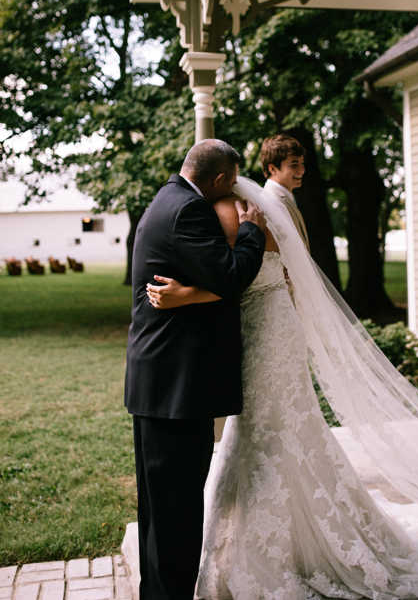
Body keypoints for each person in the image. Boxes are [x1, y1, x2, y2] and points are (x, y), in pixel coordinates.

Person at [146, 135, 418, 599]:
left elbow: (233, 277)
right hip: (259, 326)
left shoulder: (237, 213)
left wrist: (185, 293)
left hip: (269, 327)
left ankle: (289, 544)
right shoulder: (238, 206)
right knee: (258, 432)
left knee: (274, 428)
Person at [124, 138, 266, 600]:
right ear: (222, 179)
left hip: (160, 384)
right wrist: (251, 232)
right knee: (177, 514)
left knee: (160, 512)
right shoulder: (190, 210)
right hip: (177, 388)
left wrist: (188, 293)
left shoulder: (167, 199)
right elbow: (229, 275)